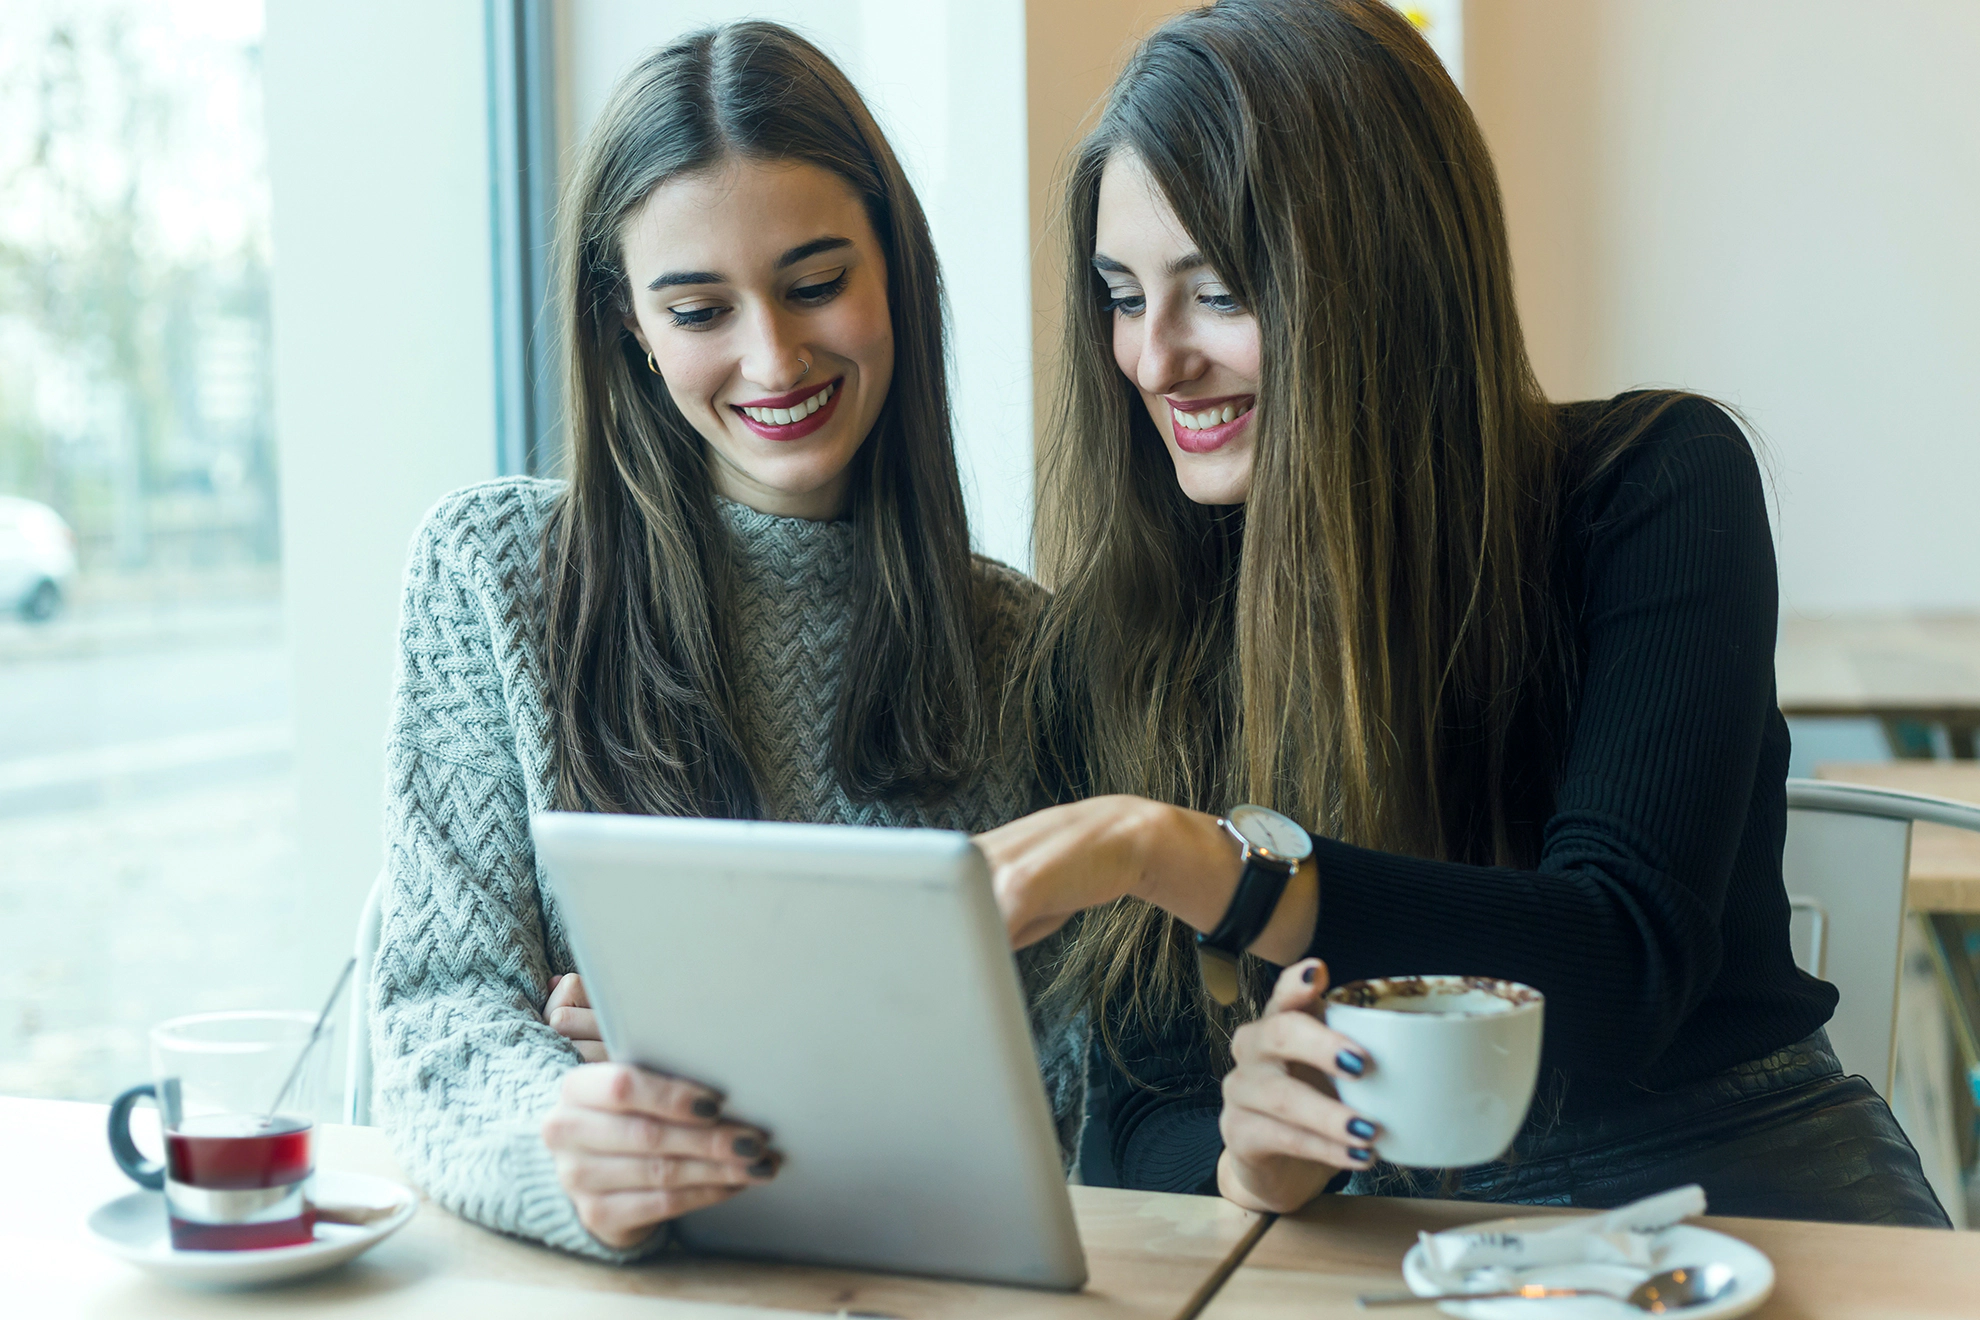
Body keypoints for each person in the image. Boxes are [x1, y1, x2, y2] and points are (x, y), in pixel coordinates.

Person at [977, 0, 1948, 1226]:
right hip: (1383, 1238)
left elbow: (1619, 960)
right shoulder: (1109, 640)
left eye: (1217, 294)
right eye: (1123, 296)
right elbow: (1127, 1119)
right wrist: (1250, 1150)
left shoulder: (1654, 484)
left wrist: (1204, 860)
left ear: (1379, 281)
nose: (1155, 361)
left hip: (1740, 1183)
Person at [370, 21, 1081, 1261]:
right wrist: (577, 1132)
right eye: (699, 307)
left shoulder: (1017, 642)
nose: (773, 356)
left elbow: (1071, 1081)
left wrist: (736, 1050)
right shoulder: (490, 576)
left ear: (895, 270)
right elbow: (437, 1019)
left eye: (815, 284)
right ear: (630, 326)